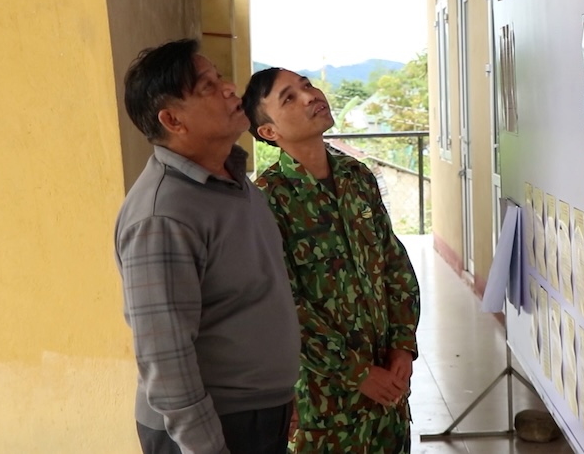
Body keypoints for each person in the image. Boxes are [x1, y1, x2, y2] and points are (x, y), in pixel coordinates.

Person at [114, 39, 300, 454]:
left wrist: (279, 393)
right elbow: (165, 356)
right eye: (208, 87)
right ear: (173, 120)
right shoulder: (163, 215)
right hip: (207, 427)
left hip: (256, 410)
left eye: (220, 78)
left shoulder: (233, 180)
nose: (230, 88)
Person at [242, 68, 422, 453]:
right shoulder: (268, 200)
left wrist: (402, 346)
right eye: (288, 98)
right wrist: (357, 373)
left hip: (387, 399)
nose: (310, 96)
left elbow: (394, 263)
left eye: (306, 85)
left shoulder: (358, 177)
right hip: (325, 411)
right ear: (269, 132)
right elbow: (283, 307)